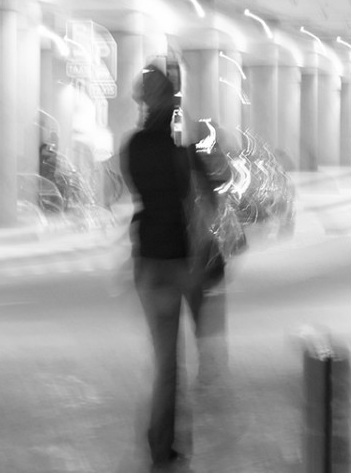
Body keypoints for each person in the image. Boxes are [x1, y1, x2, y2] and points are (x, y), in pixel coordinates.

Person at [119, 63, 223, 470]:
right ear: (171, 100)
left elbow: (140, 191)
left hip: (147, 260)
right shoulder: (181, 145)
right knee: (174, 361)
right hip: (179, 258)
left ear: (144, 102)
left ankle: (161, 443)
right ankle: (166, 442)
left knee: (164, 360)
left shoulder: (133, 146)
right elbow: (207, 190)